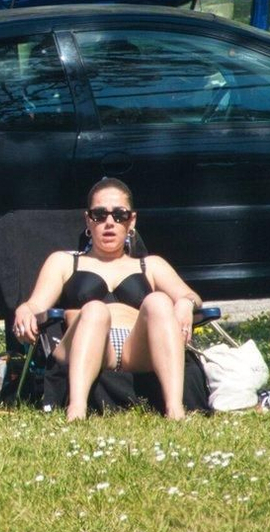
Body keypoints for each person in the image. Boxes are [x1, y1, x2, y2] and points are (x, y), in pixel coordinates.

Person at [11, 178, 203, 421]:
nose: (109, 223)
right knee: (95, 310)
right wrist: (25, 310)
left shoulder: (150, 265)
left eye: (119, 215)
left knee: (159, 302)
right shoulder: (65, 262)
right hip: (85, 344)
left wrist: (185, 303)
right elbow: (37, 304)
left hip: (138, 349)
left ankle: (175, 409)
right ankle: (76, 410)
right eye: (100, 215)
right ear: (88, 221)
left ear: (131, 221)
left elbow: (190, 295)